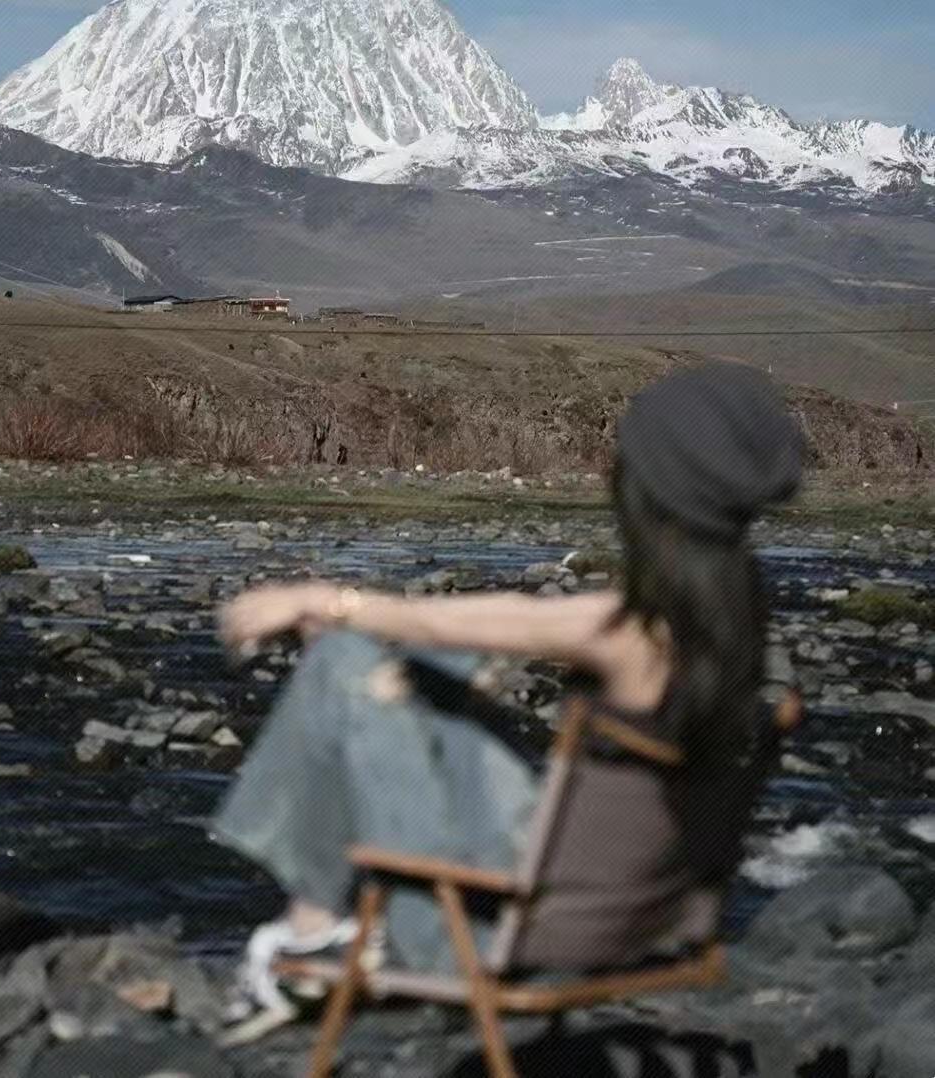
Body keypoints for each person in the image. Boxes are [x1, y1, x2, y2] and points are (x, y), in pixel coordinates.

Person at [208, 361, 805, 1041]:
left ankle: (311, 931)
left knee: (347, 661)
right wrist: (370, 622)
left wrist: (327, 601)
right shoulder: (736, 617)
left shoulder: (630, 635)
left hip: (520, 925)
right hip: (636, 912)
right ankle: (313, 923)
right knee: (424, 664)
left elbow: (515, 618)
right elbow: (491, 622)